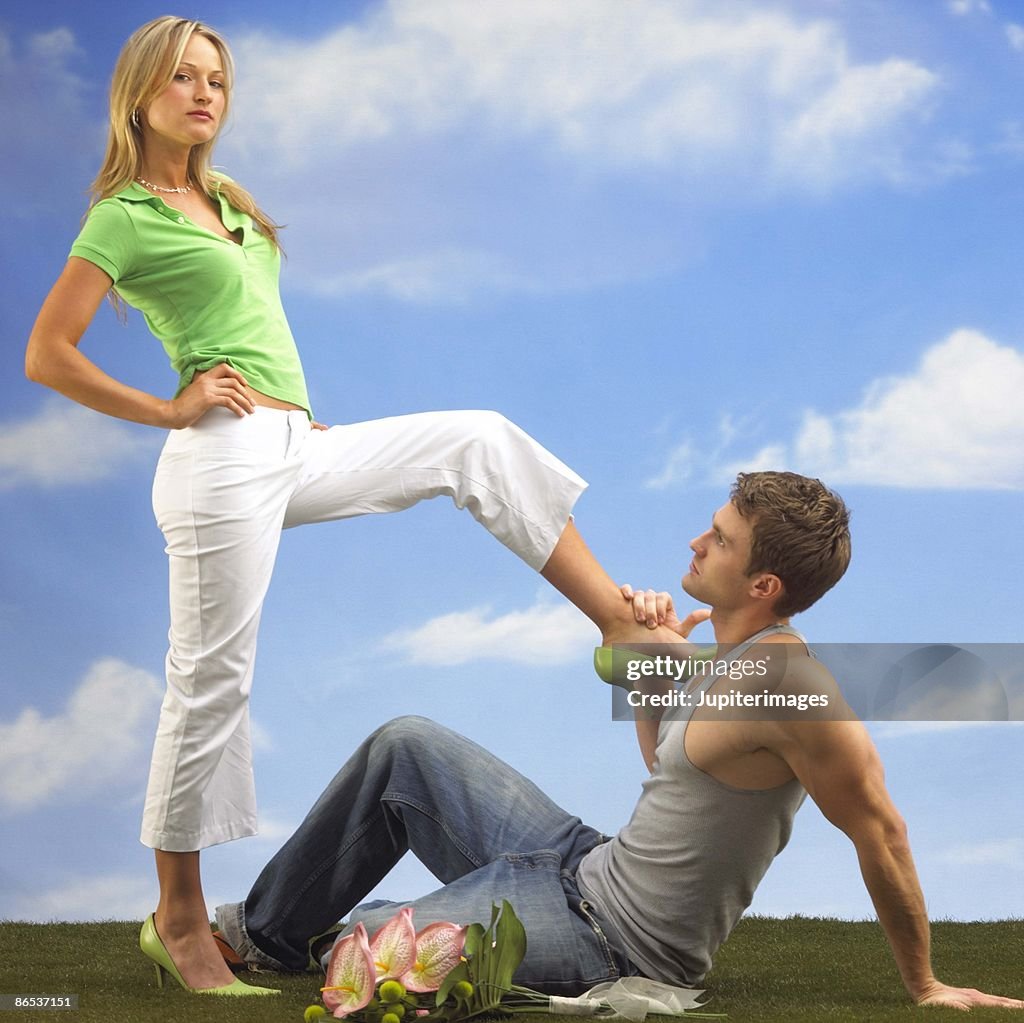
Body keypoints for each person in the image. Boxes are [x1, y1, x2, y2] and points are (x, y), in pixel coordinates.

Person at [23, 17, 679, 996]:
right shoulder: (124, 213)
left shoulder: (226, 201)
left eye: (217, 79)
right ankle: (183, 921)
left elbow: (254, 327)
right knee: (209, 684)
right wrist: (168, 405)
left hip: (294, 444)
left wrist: (301, 421)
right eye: (183, 79)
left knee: (475, 439)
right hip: (215, 463)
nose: (204, 94)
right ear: (140, 94)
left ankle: (613, 620)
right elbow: (48, 353)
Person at [214, 472, 1023, 1012]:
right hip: (583, 862)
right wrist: (652, 661)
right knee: (406, 744)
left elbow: (880, 827)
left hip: (615, 940)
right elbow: (670, 769)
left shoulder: (797, 689)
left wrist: (924, 984)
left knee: (363, 957)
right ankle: (263, 935)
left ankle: (341, 930)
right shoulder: (730, 654)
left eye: (719, 540)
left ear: (763, 585)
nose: (695, 545)